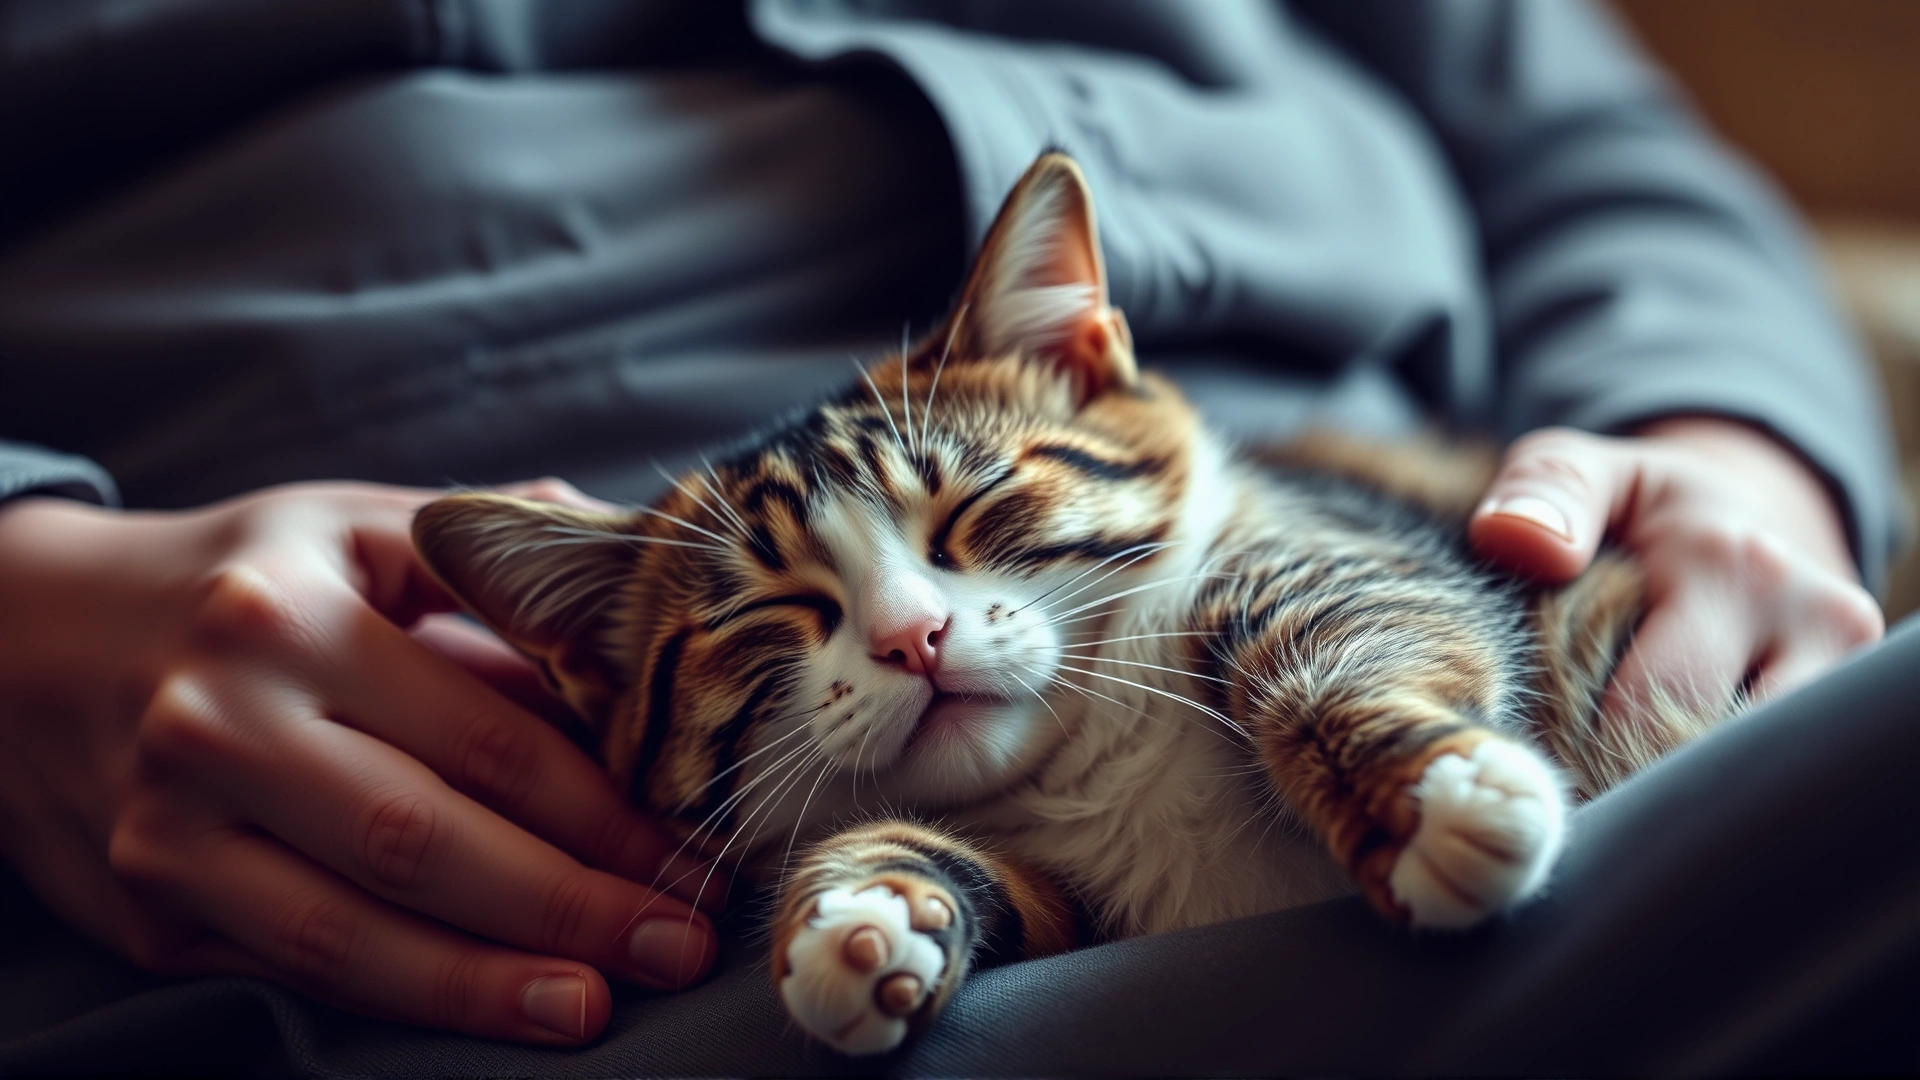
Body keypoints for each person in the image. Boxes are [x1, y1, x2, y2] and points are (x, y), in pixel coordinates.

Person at [0, 0, 1908, 1073]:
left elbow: (1601, 152)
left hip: (1423, 574)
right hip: (464, 878)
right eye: (817, 625)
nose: (904, 632)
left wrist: (1739, 447)